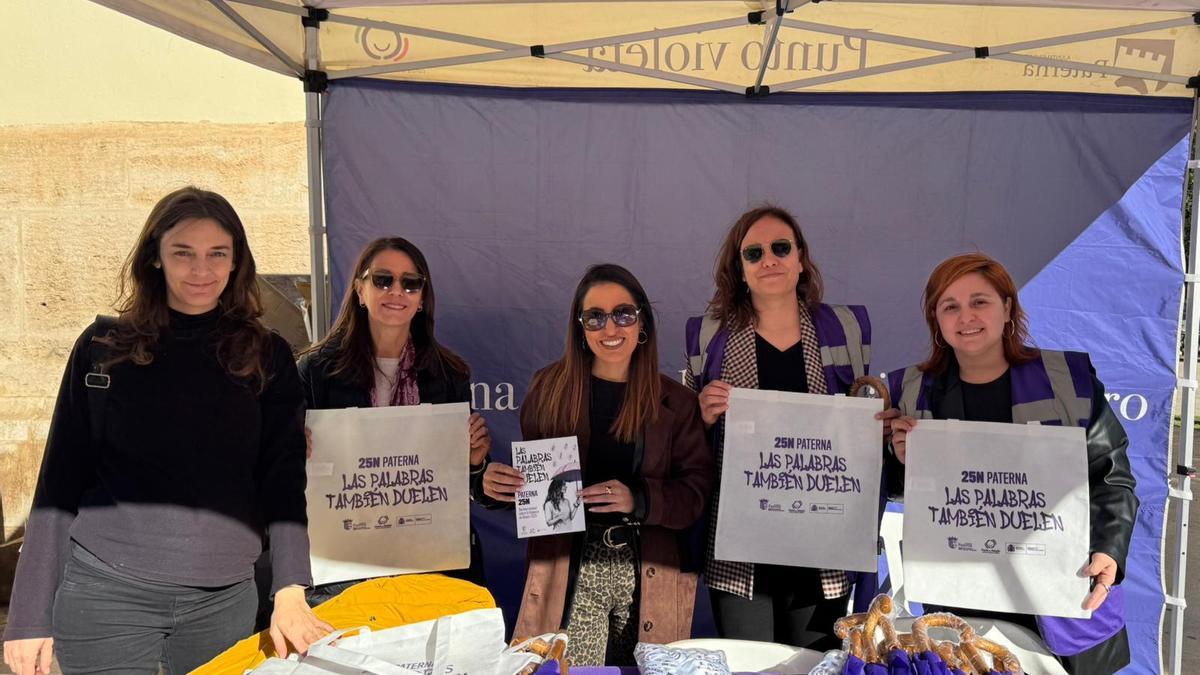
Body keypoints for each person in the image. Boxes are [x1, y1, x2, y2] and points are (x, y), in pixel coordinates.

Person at [2, 187, 330, 675]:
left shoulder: (269, 356)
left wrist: (289, 588)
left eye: (217, 254)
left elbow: (283, 479)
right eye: (183, 253)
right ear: (155, 257)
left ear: (237, 261)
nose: (201, 270)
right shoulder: (102, 350)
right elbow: (58, 480)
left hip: (223, 604)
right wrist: (28, 616)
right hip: (106, 595)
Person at [886, 252, 1138, 674]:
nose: (965, 316)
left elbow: (1112, 480)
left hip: (1060, 596)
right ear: (937, 320)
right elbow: (898, 489)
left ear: (1007, 308)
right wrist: (902, 461)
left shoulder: (1067, 382)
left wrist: (1109, 550)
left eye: (979, 301)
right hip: (962, 597)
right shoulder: (914, 392)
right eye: (950, 306)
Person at [481, 263, 715, 666]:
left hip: (650, 573)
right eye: (595, 317)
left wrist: (638, 498)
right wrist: (496, 488)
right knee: (571, 671)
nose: (611, 329)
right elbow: (540, 494)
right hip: (571, 571)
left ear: (642, 322)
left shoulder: (675, 402)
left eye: (623, 314)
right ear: (580, 328)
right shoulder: (549, 389)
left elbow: (696, 493)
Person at [684, 205, 889, 651]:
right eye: (753, 253)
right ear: (739, 269)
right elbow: (682, 447)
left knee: (814, 667)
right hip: (740, 549)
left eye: (780, 248)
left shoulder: (844, 329)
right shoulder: (708, 336)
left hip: (823, 547)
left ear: (801, 258)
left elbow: (861, 430)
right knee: (750, 664)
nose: (769, 260)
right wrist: (700, 416)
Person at [297, 237, 491, 602]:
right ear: (359, 290)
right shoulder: (315, 371)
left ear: (421, 298)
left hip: (430, 565)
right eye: (382, 280)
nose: (396, 291)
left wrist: (474, 462)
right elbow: (285, 475)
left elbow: (464, 486)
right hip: (342, 569)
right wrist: (294, 452)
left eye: (410, 282)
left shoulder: (448, 374)